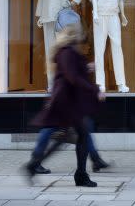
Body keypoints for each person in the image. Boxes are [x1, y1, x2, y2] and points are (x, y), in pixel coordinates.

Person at [25, 23, 104, 187]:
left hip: (68, 101)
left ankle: (33, 166)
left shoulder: (68, 52)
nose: (82, 36)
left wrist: (86, 68)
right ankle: (81, 175)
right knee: (81, 135)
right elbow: (72, 77)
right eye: (80, 33)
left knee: (69, 137)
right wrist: (94, 90)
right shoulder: (67, 52)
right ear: (74, 36)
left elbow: (73, 72)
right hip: (66, 101)